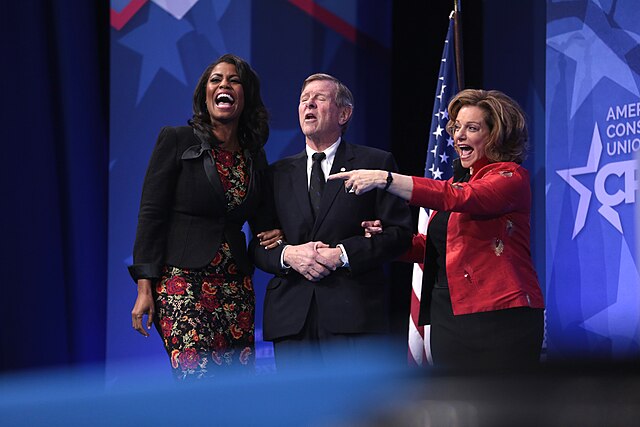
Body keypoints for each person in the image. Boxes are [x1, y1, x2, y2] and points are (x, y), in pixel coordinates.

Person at [329, 89, 545, 370]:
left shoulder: (510, 177)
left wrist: (386, 178)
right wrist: (390, 241)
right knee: (456, 407)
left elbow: (461, 197)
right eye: (456, 128)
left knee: (503, 409)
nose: (459, 136)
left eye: (472, 128)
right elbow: (432, 248)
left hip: (500, 316)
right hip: (449, 315)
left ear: (495, 136)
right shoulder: (457, 183)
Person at [128, 54, 283, 379]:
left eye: (234, 80)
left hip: (235, 287)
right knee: (195, 378)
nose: (224, 85)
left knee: (232, 389)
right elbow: (151, 214)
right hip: (180, 282)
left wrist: (274, 234)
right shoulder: (177, 139)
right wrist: (144, 287)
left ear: (246, 96)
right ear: (205, 93)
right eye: (216, 79)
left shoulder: (255, 155)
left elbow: (263, 218)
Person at [250, 73, 413, 370]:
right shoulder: (276, 174)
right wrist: (289, 255)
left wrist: (343, 254)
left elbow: (400, 233)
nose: (308, 104)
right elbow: (259, 246)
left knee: (355, 414)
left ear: (344, 113)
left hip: (354, 313)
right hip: (292, 319)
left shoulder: (375, 163)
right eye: (303, 100)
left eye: (319, 98)